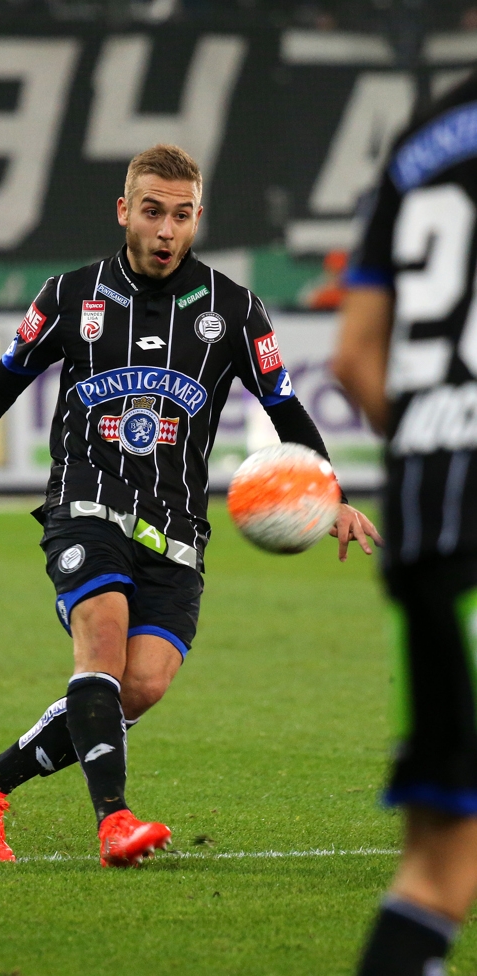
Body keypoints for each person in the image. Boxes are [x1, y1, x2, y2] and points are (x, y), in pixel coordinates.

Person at [0, 144, 380, 868]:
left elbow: (285, 407)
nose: (166, 230)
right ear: (124, 211)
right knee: (99, 643)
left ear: (197, 219)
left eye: (182, 215)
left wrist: (336, 495)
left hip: (176, 526)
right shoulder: (72, 294)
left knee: (138, 687)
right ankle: (114, 821)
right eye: (153, 211)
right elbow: (4, 380)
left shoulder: (234, 309)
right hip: (85, 503)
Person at [334, 72, 477, 976]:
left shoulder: (421, 139)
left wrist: (433, 441)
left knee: (435, 865)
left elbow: (352, 357)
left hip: (429, 518)